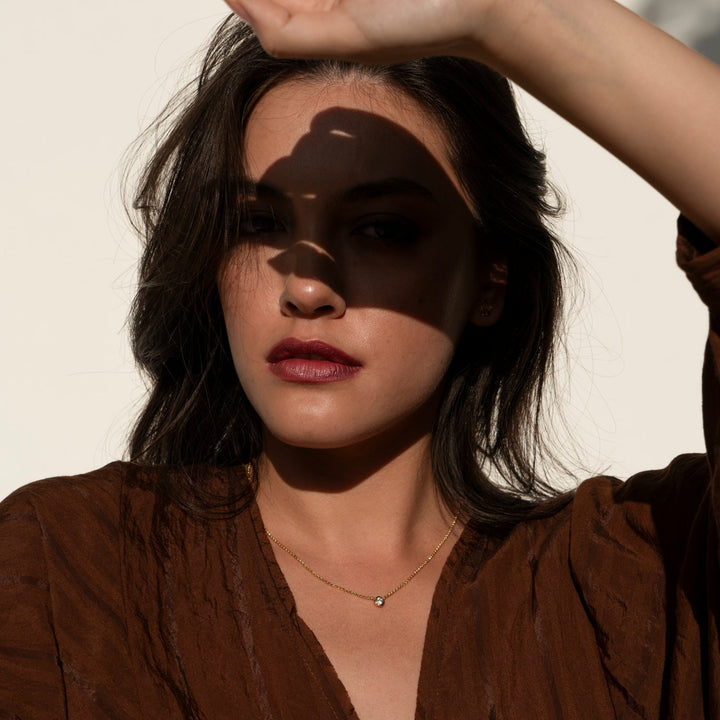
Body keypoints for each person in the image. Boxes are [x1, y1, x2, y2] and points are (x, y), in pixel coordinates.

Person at [1, 0, 719, 718]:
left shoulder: (644, 579)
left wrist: (504, 14)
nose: (308, 288)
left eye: (382, 229)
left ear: (489, 281)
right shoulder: (63, 573)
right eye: (260, 224)